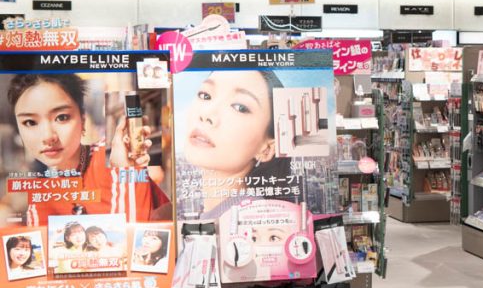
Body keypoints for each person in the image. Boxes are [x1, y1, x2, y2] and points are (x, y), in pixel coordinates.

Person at [8, 73, 169, 226]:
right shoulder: (41, 196)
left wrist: (126, 170)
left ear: (83, 120)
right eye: (30, 122)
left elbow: (135, 236)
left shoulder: (111, 156)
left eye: (61, 117)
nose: (47, 136)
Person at [180, 70, 293, 217]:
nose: (207, 114)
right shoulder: (225, 214)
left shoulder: (250, 220)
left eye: (240, 107)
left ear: (267, 149)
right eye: (205, 95)